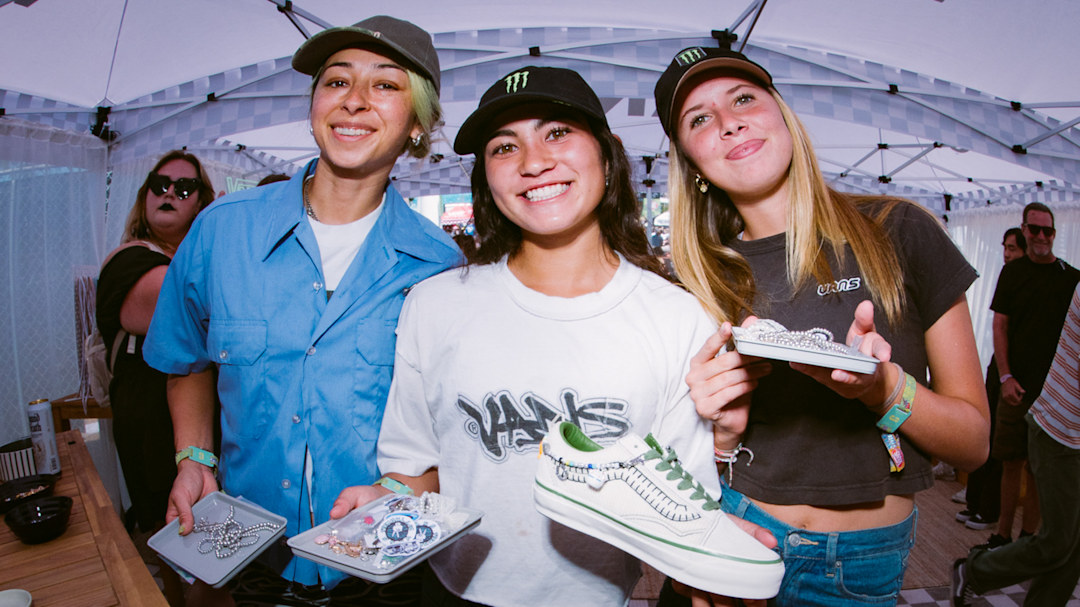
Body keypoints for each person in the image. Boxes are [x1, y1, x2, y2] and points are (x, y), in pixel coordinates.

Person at [331, 66, 778, 607]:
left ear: (607, 158)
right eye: (504, 147)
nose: (533, 161)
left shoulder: (678, 318)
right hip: (451, 592)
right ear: (487, 181)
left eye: (558, 133)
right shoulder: (435, 305)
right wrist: (385, 498)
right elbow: (418, 469)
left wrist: (713, 564)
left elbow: (678, 502)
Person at [653, 46, 989, 605]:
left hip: (858, 566)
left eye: (743, 99)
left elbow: (973, 445)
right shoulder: (697, 280)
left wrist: (883, 388)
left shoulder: (899, 231)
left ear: (783, 115)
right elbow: (669, 458)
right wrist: (718, 441)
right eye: (700, 119)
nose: (729, 122)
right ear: (691, 164)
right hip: (733, 532)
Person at [142, 15, 461, 604]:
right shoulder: (221, 232)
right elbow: (187, 361)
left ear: (418, 123)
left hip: (383, 562)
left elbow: (452, 426)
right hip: (251, 550)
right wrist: (194, 457)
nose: (354, 100)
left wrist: (404, 489)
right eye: (336, 81)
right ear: (315, 106)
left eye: (385, 85)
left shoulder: (438, 264)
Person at [95, 150, 216, 606]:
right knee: (176, 539)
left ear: (201, 201)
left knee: (209, 548)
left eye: (184, 188)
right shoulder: (129, 260)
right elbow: (184, 309)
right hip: (154, 431)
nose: (169, 193)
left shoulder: (192, 262)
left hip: (196, 427)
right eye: (159, 184)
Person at [952, 282, 1080, 606]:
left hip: (1073, 436)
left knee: (1073, 545)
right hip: (1060, 432)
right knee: (1057, 541)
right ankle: (974, 571)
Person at [987, 203, 1079, 548]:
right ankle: (1002, 535)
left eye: (1048, 230)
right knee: (1011, 462)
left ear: (1054, 234)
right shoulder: (1012, 273)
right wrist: (1006, 376)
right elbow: (1000, 325)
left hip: (1054, 394)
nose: (1042, 236)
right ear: (1024, 230)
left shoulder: (1071, 278)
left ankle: (1028, 538)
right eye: (1035, 229)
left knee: (1040, 468)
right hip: (1016, 386)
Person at [955, 227, 1026, 530]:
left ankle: (988, 509)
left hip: (1016, 372)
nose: (1007, 254)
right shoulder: (1007, 277)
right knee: (986, 431)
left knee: (1002, 446)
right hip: (999, 367)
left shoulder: (1026, 280)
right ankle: (975, 501)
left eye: (1013, 248)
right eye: (1005, 247)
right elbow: (998, 326)